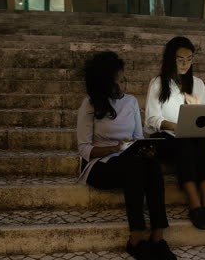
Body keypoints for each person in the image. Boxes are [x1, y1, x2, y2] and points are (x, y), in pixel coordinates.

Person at [77, 51, 176, 260]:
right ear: (105, 85)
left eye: (125, 80)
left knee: (151, 164)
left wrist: (146, 149)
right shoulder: (90, 104)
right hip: (98, 165)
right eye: (119, 82)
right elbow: (84, 149)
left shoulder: (130, 102)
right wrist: (114, 149)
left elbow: (138, 137)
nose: (124, 85)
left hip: (129, 159)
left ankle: (158, 236)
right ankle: (136, 237)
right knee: (136, 167)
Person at [144, 36, 205, 230]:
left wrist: (199, 112)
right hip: (165, 137)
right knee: (184, 144)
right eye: (180, 59)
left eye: (189, 59)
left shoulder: (198, 84)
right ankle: (195, 204)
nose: (185, 63)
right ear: (171, 59)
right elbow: (152, 120)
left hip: (193, 136)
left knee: (203, 144)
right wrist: (175, 127)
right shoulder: (158, 83)